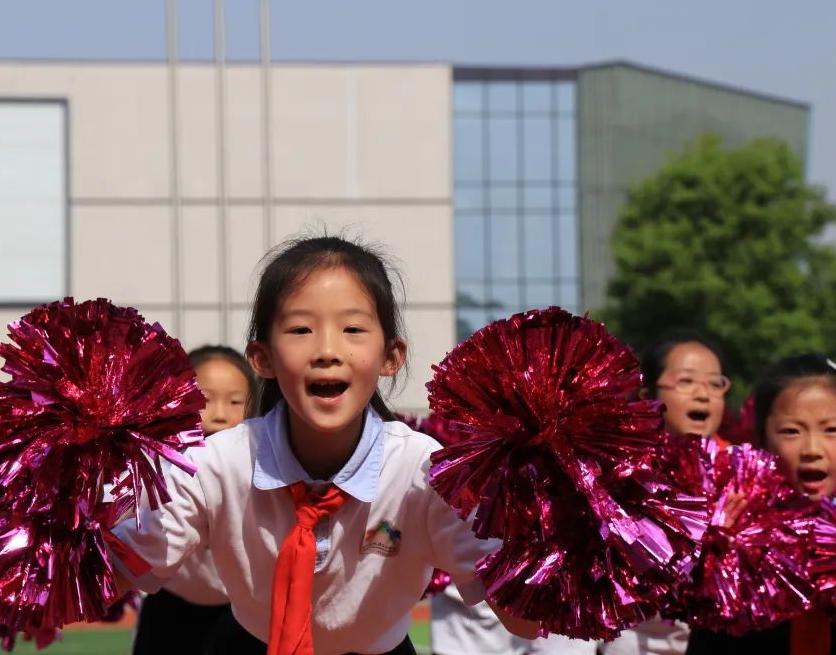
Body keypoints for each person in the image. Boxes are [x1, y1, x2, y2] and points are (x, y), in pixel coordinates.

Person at [111, 235, 538, 654]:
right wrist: (85, 471)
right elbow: (113, 576)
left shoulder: (425, 473)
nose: (327, 350)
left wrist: (548, 508)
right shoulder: (216, 465)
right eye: (301, 329)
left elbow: (523, 620)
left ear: (391, 356)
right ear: (263, 357)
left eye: (353, 329)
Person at [686, 353, 836, 655]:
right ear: (764, 439)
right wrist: (715, 555)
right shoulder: (727, 517)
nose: (813, 449)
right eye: (792, 431)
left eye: (831, 430)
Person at [602, 331, 733, 655]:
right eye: (686, 381)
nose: (703, 394)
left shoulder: (744, 475)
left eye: (715, 384)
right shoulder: (620, 475)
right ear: (648, 395)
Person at [132, 345, 257, 655]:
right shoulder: (154, 464)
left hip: (244, 613)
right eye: (204, 399)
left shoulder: (264, 468)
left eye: (235, 401)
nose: (219, 414)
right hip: (170, 608)